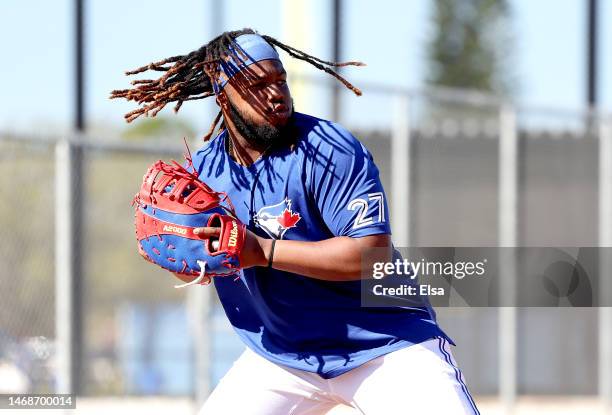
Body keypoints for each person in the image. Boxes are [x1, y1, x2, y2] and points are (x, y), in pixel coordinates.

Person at [112, 28, 479, 415]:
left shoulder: (328, 149)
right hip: (282, 356)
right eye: (257, 84)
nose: (276, 94)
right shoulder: (206, 171)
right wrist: (190, 257)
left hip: (383, 344)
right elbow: (201, 262)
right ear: (224, 96)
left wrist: (261, 250)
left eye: (280, 80)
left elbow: (371, 256)